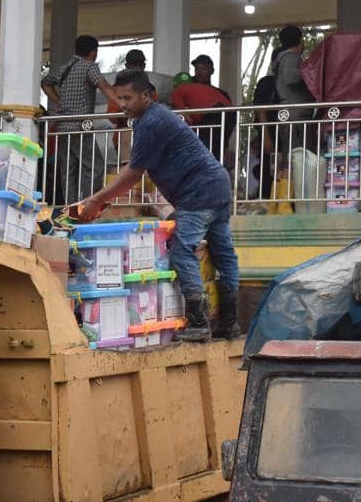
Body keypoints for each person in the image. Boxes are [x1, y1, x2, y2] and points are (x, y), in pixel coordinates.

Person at [77, 69, 241, 342]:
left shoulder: (151, 121)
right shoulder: (153, 118)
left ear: (146, 95)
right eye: (119, 98)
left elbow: (132, 174)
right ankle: (230, 323)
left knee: (181, 252)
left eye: (128, 98)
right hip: (216, 186)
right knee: (224, 253)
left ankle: (200, 323)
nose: (123, 104)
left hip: (198, 193)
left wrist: (96, 199)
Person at [41, 35, 117, 204]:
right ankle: (87, 204)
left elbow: (45, 83)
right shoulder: (89, 67)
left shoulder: (64, 68)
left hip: (63, 128)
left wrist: (58, 100)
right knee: (95, 167)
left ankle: (70, 208)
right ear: (93, 52)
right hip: (80, 127)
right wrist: (121, 103)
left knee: (69, 170)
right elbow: (104, 86)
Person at [172, 57, 235, 159]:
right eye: (197, 69)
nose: (200, 73)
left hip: (214, 122)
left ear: (212, 71)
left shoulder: (220, 93)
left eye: (204, 69)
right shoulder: (188, 88)